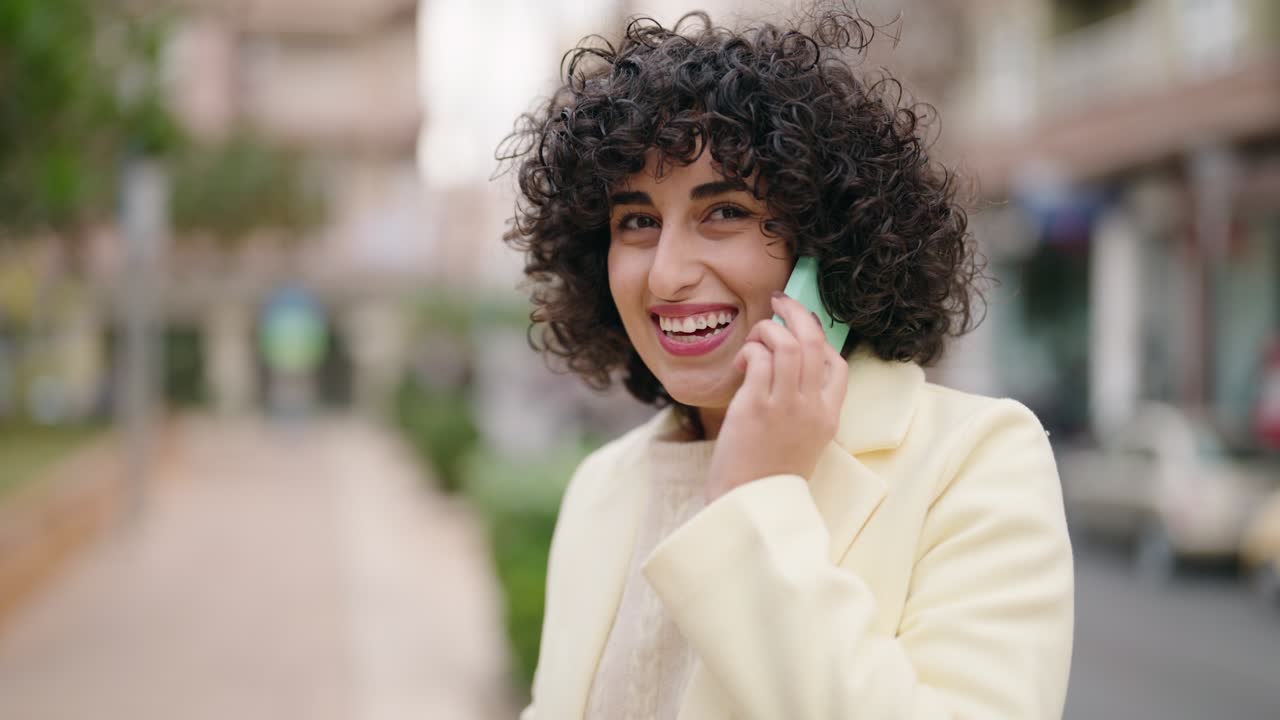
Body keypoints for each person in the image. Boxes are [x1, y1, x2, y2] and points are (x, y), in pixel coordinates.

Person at [499, 7, 1074, 719]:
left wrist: (754, 497)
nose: (667, 274)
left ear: (828, 246)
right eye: (638, 222)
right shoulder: (602, 486)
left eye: (726, 212)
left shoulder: (975, 461)